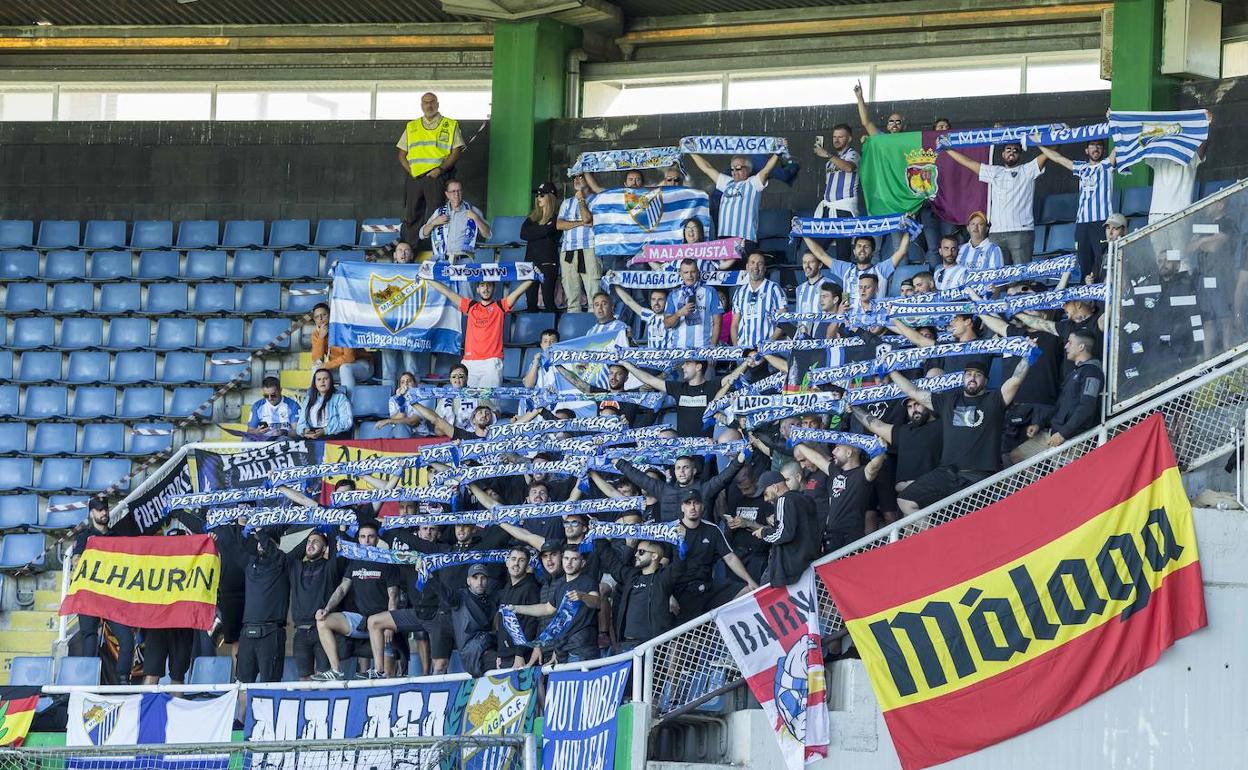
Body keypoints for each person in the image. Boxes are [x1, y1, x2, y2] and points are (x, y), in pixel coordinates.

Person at [890, 352, 1033, 516]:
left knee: (973, 523)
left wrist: (1028, 355)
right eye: (969, 374)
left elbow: (1014, 382)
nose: (972, 378)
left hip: (980, 477)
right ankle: (936, 542)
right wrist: (890, 371)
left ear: (986, 381)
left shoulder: (994, 400)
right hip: (947, 474)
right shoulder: (948, 402)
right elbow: (913, 391)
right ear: (963, 378)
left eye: (978, 375)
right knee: (905, 500)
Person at [312, 522, 401, 681]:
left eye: (370, 536)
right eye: (362, 537)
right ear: (358, 539)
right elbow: (342, 588)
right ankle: (336, 670)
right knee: (323, 621)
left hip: (382, 623)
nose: (366, 540)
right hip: (361, 620)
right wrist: (326, 609)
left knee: (387, 677)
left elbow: (393, 596)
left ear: (377, 539)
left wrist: (390, 624)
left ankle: (381, 673)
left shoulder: (386, 560)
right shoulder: (355, 561)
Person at [425, 271, 533, 387]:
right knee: (470, 402)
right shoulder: (470, 306)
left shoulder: (500, 306)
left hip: (491, 362)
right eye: (482, 285)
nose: (485, 289)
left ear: (494, 288)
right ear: (477, 289)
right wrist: (427, 278)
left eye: (489, 285)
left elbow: (517, 293)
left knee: (489, 402)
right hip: (469, 362)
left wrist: (532, 277)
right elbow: (447, 292)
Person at [943, 144, 1046, 264]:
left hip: (1021, 232)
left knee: (1022, 277)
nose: (1011, 152)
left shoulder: (1028, 169)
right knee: (999, 279)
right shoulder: (995, 171)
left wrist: (1050, 138)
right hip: (996, 233)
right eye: (1008, 150)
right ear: (1002, 154)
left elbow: (1049, 154)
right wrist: (947, 149)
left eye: (1015, 151)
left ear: (1020, 155)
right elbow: (969, 163)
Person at [70, 498, 136, 684]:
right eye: (99, 510)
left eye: (105, 509)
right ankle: (88, 682)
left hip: (111, 596)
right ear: (92, 513)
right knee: (89, 639)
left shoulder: (117, 536)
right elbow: (76, 562)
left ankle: (123, 680)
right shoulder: (85, 536)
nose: (104, 513)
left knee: (126, 639)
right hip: (90, 594)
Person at [668, 490, 759, 622]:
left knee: (747, 591)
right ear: (682, 507)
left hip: (707, 587)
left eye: (696, 503)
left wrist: (750, 581)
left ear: (702, 507)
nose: (692, 507)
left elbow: (730, 557)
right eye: (688, 503)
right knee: (691, 639)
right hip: (682, 591)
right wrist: (668, 595)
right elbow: (661, 566)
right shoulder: (671, 530)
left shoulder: (712, 529)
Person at [1033, 138, 1115, 282]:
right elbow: (1057, 158)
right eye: (1092, 146)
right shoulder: (1080, 167)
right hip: (1082, 224)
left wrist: (1113, 120)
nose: (1096, 149)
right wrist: (1037, 143)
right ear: (1086, 150)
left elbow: (1119, 146)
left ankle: (1100, 303)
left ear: (1103, 150)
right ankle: (1085, 302)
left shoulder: (1107, 165)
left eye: (1099, 146)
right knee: (1084, 264)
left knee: (1101, 263)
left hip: (1102, 223)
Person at [506, 545, 601, 664]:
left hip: (581, 649)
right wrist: (517, 608)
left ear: (582, 563)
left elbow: (597, 603)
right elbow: (546, 608)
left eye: (574, 559)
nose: (569, 563)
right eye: (566, 558)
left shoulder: (588, 581)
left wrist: (583, 596)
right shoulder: (560, 586)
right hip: (562, 650)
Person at [397, 92, 465, 247]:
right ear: (421, 106)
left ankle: (439, 249)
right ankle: (410, 251)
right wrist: (411, 171)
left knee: (438, 213)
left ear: (438, 104)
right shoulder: (411, 126)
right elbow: (402, 154)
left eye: (432, 102)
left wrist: (440, 169)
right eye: (425, 102)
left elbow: (456, 151)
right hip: (415, 178)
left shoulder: (450, 124)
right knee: (412, 215)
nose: (429, 105)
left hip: (437, 176)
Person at [792, 442, 887, 552]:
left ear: (849, 453)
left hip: (852, 537)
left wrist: (880, 449)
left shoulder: (862, 473)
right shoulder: (835, 472)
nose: (832, 452)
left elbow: (874, 466)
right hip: (831, 536)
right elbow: (817, 458)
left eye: (837, 449)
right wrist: (798, 443)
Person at [688, 152, 781, 256]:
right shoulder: (727, 182)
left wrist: (777, 153)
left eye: (738, 168)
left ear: (748, 169)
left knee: (742, 271)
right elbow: (707, 168)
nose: (734, 172)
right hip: (724, 239)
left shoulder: (753, 182)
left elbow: (766, 170)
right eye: (732, 169)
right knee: (725, 271)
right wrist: (690, 151)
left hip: (744, 239)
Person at [803, 220, 912, 306]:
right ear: (854, 251)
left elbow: (901, 251)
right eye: (859, 246)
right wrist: (802, 233)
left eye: (866, 247)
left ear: (873, 252)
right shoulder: (846, 269)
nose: (862, 250)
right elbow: (821, 255)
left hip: (874, 325)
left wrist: (908, 229)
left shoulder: (881, 270)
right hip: (850, 326)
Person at [615, 451, 745, 522]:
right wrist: (619, 463)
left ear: (694, 471)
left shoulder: (704, 489)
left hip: (698, 548)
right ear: (674, 472)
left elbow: (723, 478)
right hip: (670, 549)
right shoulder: (664, 490)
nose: (681, 471)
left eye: (686, 467)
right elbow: (640, 478)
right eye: (678, 468)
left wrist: (739, 461)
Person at [853, 398, 943, 498]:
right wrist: (853, 408)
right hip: (905, 497)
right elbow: (876, 425)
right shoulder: (904, 431)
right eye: (909, 407)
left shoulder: (943, 425)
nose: (913, 409)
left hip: (934, 496)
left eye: (917, 404)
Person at [424, 564, 499, 677]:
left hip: (488, 647)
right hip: (474, 654)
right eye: (475, 578)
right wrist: (428, 575)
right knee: (506, 662)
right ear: (468, 581)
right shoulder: (460, 597)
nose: (479, 582)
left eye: (483, 578)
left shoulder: (491, 599)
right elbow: (444, 592)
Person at [236, 530, 290, 683]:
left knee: (270, 684)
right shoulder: (250, 563)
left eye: (265, 541)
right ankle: (244, 709)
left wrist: (260, 531)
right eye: (258, 542)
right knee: (242, 684)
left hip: (271, 632)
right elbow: (235, 546)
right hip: (247, 631)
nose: (260, 544)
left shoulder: (282, 561)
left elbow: (273, 551)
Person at [603, 540, 677, 653]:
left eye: (641, 552)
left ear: (654, 556)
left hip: (653, 645)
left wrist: (681, 542)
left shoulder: (663, 577)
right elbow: (612, 563)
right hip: (626, 644)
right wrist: (598, 537)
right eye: (637, 551)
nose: (636, 555)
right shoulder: (632, 575)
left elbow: (680, 564)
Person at [753, 469, 821, 587]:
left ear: (775, 487)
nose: (765, 499)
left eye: (765, 493)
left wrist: (763, 532)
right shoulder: (805, 498)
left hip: (790, 571)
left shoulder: (783, 500)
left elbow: (783, 533)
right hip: (809, 564)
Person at [1147, 110, 1211, 226]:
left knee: (1180, 246)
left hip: (1180, 214)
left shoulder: (1189, 157)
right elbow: (1141, 142)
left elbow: (1204, 144)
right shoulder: (1158, 157)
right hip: (1155, 215)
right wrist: (1115, 120)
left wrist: (1206, 125)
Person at [1044, 330, 1105, 448]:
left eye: (1070, 343)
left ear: (1081, 347)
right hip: (1055, 432)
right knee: (1016, 453)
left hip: (1072, 439)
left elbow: (1087, 407)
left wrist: (1063, 434)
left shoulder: (1092, 372)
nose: (1066, 346)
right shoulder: (1076, 372)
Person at [289, 531, 337, 681]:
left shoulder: (329, 567)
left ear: (324, 548)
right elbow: (290, 556)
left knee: (325, 677)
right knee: (304, 680)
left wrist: (329, 530)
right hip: (300, 632)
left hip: (322, 629)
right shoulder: (296, 567)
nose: (311, 544)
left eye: (316, 542)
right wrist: (311, 532)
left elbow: (336, 552)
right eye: (309, 542)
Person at [378, 242, 427, 386]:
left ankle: (414, 402)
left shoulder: (420, 272)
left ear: (412, 255)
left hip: (409, 326)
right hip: (388, 326)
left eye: (407, 250)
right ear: (394, 255)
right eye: (399, 250)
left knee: (411, 367)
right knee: (388, 371)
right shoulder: (384, 272)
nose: (403, 253)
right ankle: (388, 403)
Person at [557, 173, 601, 313]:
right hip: (568, 249)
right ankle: (574, 330)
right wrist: (582, 223)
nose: (576, 180)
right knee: (572, 296)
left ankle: (594, 329)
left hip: (589, 248)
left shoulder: (597, 199)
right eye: (574, 177)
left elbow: (589, 219)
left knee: (593, 293)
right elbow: (559, 225)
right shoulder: (567, 202)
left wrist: (581, 200)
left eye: (580, 177)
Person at [310, 302, 372, 392]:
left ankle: (347, 402)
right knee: (316, 369)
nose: (321, 319)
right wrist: (321, 337)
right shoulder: (316, 334)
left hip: (361, 366)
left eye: (324, 315)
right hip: (338, 367)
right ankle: (316, 400)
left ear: (331, 316)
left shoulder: (343, 329)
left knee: (345, 368)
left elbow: (349, 358)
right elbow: (317, 359)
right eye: (317, 317)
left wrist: (327, 365)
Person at [496, 546, 541, 669]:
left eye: (521, 560)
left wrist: (520, 654)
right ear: (507, 562)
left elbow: (531, 624)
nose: (516, 563)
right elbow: (502, 622)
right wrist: (500, 653)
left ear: (527, 564)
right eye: (513, 559)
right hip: (505, 655)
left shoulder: (531, 588)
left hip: (520, 657)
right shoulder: (506, 589)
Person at [731, 251, 787, 348]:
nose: (756, 267)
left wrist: (768, 345)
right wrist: (737, 347)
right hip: (744, 351)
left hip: (768, 351)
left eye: (759, 263)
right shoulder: (739, 292)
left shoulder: (774, 289)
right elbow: (735, 324)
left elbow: (783, 321)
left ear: (764, 269)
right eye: (752, 263)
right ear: (747, 267)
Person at [664, 258, 723, 348]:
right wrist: (679, 313)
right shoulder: (673, 295)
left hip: (704, 349)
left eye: (693, 272)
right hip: (679, 350)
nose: (690, 275)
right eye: (686, 272)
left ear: (698, 272)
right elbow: (667, 324)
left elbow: (718, 322)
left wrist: (712, 349)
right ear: (680, 273)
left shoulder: (710, 292)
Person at [523, 183, 561, 312]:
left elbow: (548, 231)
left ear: (550, 197)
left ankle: (554, 329)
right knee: (530, 301)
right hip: (530, 262)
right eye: (538, 195)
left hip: (548, 262)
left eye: (542, 195)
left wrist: (536, 231)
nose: (538, 198)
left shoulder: (557, 218)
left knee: (548, 299)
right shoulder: (532, 217)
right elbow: (523, 234)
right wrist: (543, 229)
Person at [297, 368, 354, 440]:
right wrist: (304, 431)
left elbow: (347, 422)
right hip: (313, 433)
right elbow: (300, 423)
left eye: (325, 379)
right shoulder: (308, 400)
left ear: (331, 381)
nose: (322, 381)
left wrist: (325, 431)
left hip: (334, 433)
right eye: (319, 379)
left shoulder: (340, 398)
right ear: (315, 383)